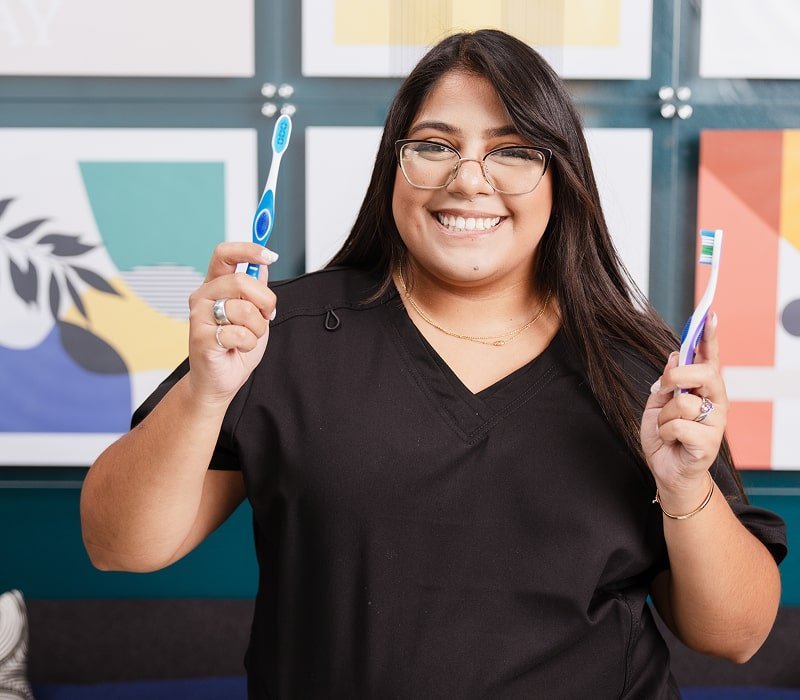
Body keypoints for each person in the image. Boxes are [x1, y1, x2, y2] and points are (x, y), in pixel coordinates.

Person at [80, 29, 786, 699]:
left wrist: (686, 484)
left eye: (512, 151)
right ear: (395, 165)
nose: (468, 180)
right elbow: (120, 547)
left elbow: (735, 635)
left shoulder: (641, 371)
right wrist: (205, 394)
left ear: (561, 178)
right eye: (434, 146)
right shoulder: (276, 335)